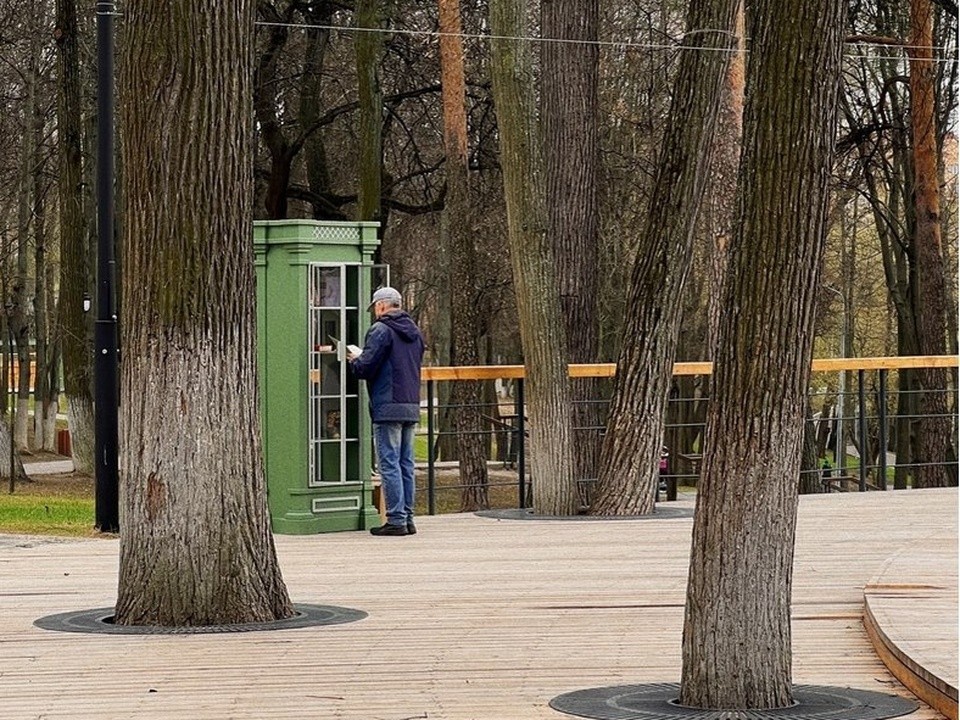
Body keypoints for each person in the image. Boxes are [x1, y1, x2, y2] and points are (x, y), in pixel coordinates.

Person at [348, 287, 425, 536]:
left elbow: (367, 367)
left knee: (389, 463)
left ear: (381, 306)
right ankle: (408, 518)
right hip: (411, 404)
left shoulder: (381, 330)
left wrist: (353, 361)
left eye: (375, 309)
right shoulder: (415, 332)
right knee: (406, 463)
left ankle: (395, 520)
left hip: (387, 404)